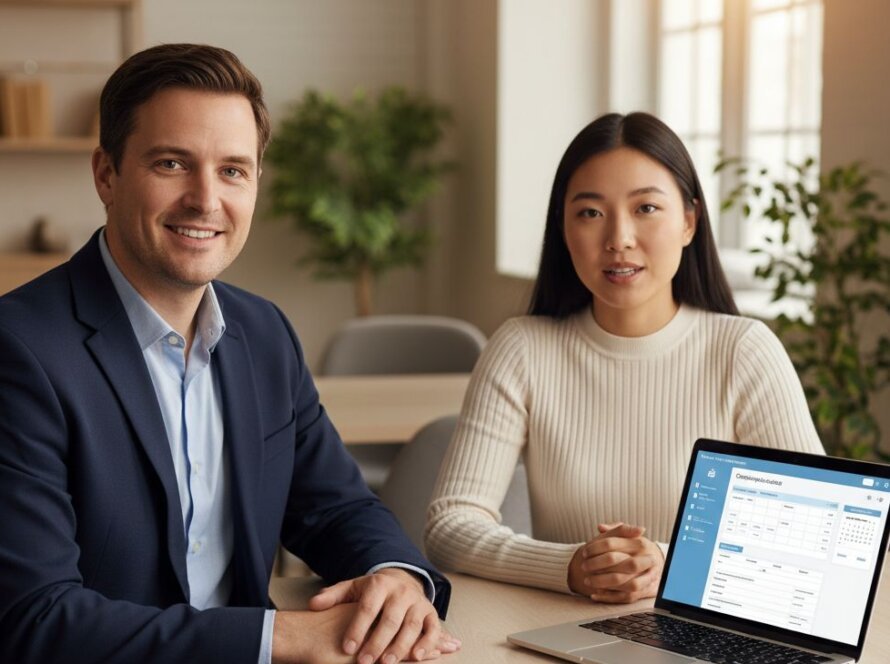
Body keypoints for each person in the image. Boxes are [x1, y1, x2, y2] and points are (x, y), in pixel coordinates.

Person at [0, 44, 461, 664]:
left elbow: (335, 506)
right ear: (106, 174)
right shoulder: (20, 351)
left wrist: (397, 579)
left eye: (233, 170)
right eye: (172, 163)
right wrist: (287, 638)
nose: (205, 199)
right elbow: (35, 619)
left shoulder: (263, 332)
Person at [424, 112, 824, 604]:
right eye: (590, 213)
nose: (619, 238)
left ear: (689, 222)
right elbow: (450, 525)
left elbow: (811, 532)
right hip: (552, 633)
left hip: (702, 637)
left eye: (646, 208)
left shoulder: (744, 351)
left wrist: (667, 562)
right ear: (563, 229)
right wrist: (570, 566)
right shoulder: (522, 349)